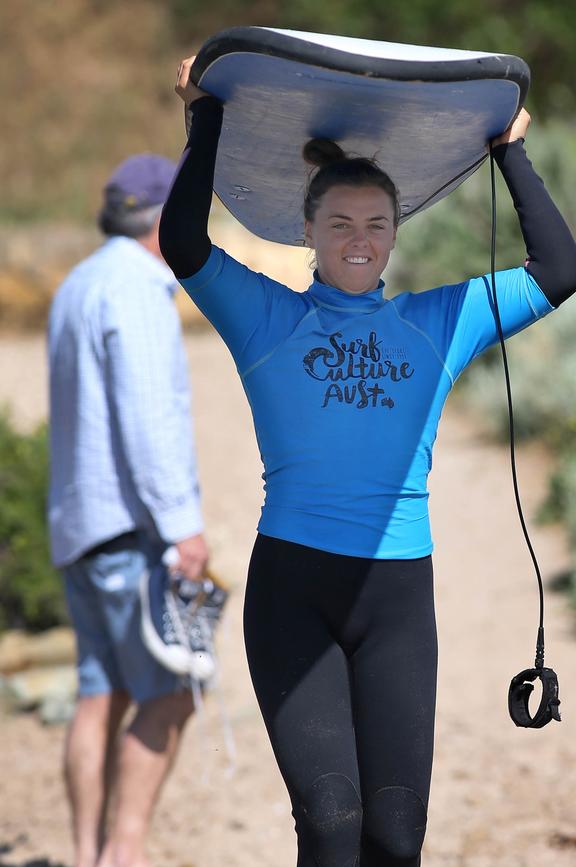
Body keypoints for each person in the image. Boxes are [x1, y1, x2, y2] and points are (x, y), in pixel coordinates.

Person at [160, 55, 576, 867]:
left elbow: (561, 271)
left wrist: (509, 150)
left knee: (394, 834)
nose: (359, 241)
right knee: (330, 820)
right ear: (309, 232)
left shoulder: (440, 320)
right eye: (341, 225)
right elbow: (183, 239)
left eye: (376, 225)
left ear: (396, 235)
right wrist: (205, 113)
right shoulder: (265, 317)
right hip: (295, 594)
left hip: (397, 598)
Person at [48, 152, 210, 867]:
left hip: (78, 525)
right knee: (173, 693)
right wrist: (183, 526)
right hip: (130, 529)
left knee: (99, 691)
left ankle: (88, 854)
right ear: (161, 221)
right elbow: (149, 419)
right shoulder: (139, 289)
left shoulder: (77, 284)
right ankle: (126, 850)